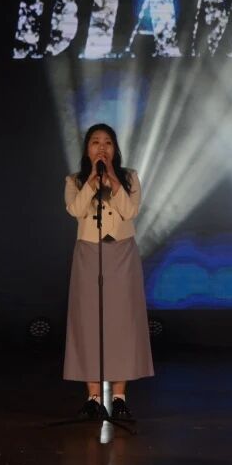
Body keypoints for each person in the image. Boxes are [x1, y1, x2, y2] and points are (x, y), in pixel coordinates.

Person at [63, 123, 154, 420]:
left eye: (107, 143)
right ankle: (92, 397)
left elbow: (129, 212)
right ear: (87, 149)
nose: (101, 147)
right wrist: (92, 179)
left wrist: (113, 178)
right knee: (88, 322)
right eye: (95, 142)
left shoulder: (129, 177)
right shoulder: (75, 180)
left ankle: (119, 397)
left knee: (122, 322)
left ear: (115, 149)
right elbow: (76, 210)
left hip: (122, 253)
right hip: (89, 253)